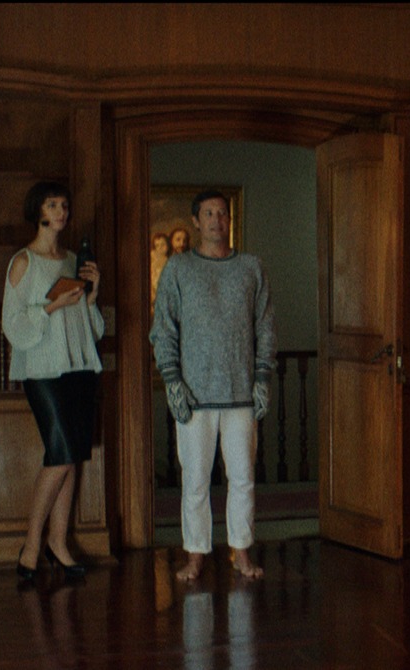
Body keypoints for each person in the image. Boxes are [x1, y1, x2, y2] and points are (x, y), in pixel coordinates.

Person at [151, 189, 275, 581]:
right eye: (208, 213)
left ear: (228, 219)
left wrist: (262, 378)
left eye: (221, 213)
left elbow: (265, 326)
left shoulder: (251, 267)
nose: (216, 220)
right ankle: (195, 555)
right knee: (195, 481)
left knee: (243, 478)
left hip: (240, 394)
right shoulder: (179, 268)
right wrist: (172, 381)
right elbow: (163, 329)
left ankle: (242, 552)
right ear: (196, 220)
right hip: (194, 395)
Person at [2, 180, 104, 582]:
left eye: (64, 205)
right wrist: (50, 306)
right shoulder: (23, 261)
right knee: (59, 454)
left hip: (78, 366)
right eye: (52, 205)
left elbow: (89, 328)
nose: (61, 212)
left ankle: (58, 544)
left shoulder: (72, 260)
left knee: (71, 454)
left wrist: (90, 298)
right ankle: (31, 547)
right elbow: (12, 324)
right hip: (42, 370)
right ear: (38, 211)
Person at [149, 232, 170, 304]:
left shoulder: (169, 260)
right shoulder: (152, 258)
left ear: (168, 245)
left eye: (163, 244)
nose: (160, 248)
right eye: (157, 245)